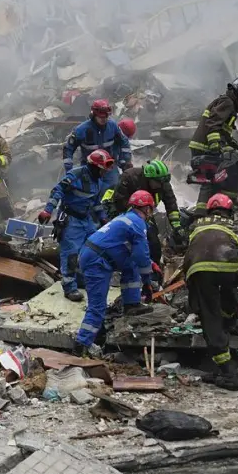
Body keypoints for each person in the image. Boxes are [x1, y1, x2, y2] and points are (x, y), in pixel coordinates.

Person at [183, 195, 238, 389]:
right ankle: (231, 317)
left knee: (210, 318)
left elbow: (189, 249)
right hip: (230, 272)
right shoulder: (234, 226)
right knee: (228, 284)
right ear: (229, 211)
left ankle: (227, 370)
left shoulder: (195, 226)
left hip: (198, 271)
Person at [73, 191, 158, 354]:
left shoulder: (127, 218)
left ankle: (132, 303)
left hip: (95, 254)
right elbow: (142, 255)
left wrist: (151, 264)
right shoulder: (138, 224)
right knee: (97, 306)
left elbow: (135, 252)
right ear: (147, 209)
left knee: (131, 265)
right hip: (97, 261)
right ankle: (81, 345)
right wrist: (147, 282)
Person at [40, 149, 120, 301]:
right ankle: (69, 287)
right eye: (103, 169)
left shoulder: (98, 180)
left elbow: (96, 203)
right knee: (71, 254)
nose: (104, 173)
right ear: (95, 167)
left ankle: (82, 279)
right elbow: (57, 191)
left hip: (86, 219)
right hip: (70, 220)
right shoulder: (76, 175)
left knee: (92, 249)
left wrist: (103, 218)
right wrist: (47, 210)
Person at [103, 160, 183, 270]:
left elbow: (171, 205)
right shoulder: (130, 177)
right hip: (116, 208)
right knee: (119, 238)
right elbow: (120, 202)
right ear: (148, 177)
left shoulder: (163, 184)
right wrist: (141, 220)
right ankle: (115, 266)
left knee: (153, 241)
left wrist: (177, 226)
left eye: (162, 182)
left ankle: (152, 271)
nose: (160, 185)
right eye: (158, 182)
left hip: (143, 213)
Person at [189, 76, 238, 203]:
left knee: (212, 180)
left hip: (202, 147)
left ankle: (211, 207)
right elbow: (212, 123)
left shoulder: (225, 101)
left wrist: (229, 141)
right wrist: (215, 144)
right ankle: (225, 203)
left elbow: (221, 128)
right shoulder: (228, 102)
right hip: (205, 147)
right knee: (230, 168)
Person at [63, 98, 131, 173]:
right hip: (89, 169)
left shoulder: (113, 126)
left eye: (105, 117)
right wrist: (69, 169)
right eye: (101, 117)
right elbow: (68, 148)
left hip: (109, 168)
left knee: (115, 184)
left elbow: (124, 142)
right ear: (93, 115)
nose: (103, 119)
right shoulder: (81, 129)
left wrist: (125, 162)